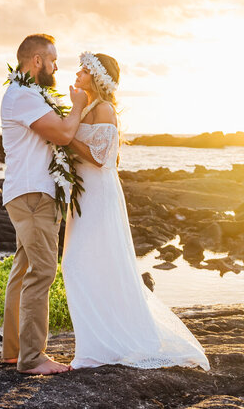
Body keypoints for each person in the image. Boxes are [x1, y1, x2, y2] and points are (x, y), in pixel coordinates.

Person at [60, 51, 210, 370]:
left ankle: (98, 348)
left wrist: (67, 137)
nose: (78, 73)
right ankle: (94, 344)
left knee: (83, 263)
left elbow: (103, 158)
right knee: (82, 263)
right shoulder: (86, 106)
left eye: (84, 70)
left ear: (98, 78)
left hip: (98, 194)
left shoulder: (102, 108)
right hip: (84, 193)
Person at [0, 33, 87, 375]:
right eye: (53, 61)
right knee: (43, 271)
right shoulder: (23, 96)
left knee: (23, 270)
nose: (56, 67)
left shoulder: (26, 94)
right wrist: (77, 105)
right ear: (36, 61)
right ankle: (32, 358)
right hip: (33, 195)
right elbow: (63, 134)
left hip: (27, 192)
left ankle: (14, 350)